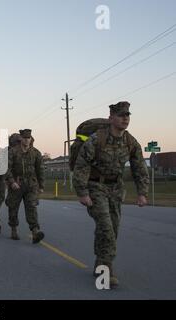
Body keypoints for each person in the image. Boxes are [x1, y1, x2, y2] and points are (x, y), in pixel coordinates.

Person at [72, 101, 149, 288]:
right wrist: (82, 193)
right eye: (121, 115)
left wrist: (142, 193)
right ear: (111, 118)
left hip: (115, 188)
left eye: (127, 115)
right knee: (106, 227)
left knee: (112, 229)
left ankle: (100, 262)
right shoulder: (97, 139)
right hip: (95, 187)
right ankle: (107, 271)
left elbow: (140, 167)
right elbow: (81, 166)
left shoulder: (130, 141)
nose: (125, 118)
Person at [5, 129, 45, 243]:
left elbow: (40, 169)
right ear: (21, 139)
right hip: (16, 184)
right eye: (25, 138)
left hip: (31, 185)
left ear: (31, 139)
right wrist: (12, 182)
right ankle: (13, 228)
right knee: (13, 207)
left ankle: (35, 231)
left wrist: (41, 185)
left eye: (29, 138)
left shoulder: (36, 153)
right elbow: (6, 168)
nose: (27, 140)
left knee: (32, 207)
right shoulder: (12, 152)